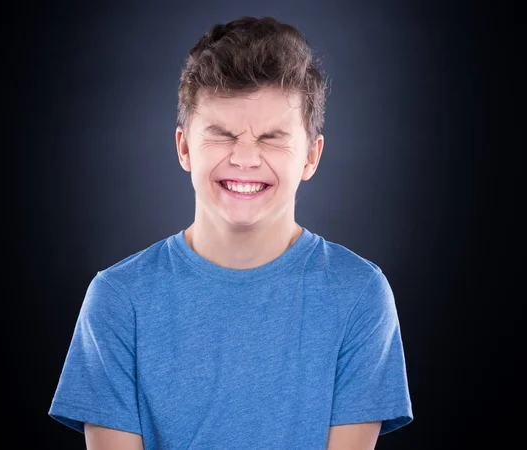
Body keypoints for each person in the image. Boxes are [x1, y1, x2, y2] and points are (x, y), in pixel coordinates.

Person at [48, 15, 413, 450]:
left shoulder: (360, 294)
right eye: (221, 135)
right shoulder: (117, 299)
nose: (245, 158)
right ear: (184, 147)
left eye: (272, 138)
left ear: (311, 157)